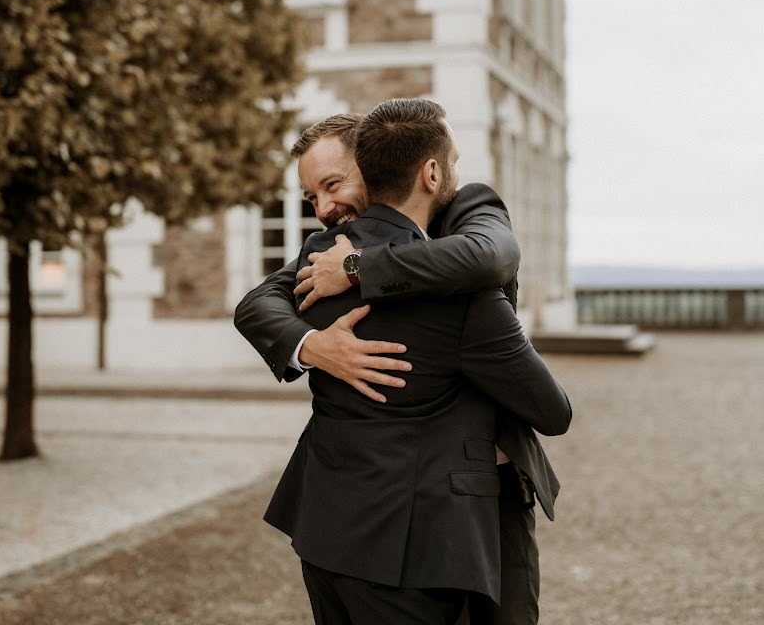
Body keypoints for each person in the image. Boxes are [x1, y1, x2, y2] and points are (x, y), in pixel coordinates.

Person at [234, 108, 568, 624]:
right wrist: (310, 345)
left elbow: (491, 256)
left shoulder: (462, 209)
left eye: (333, 184)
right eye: (310, 197)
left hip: (479, 496)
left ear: (370, 165)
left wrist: (358, 268)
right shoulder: (321, 256)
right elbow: (257, 303)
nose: (323, 208)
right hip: (413, 523)